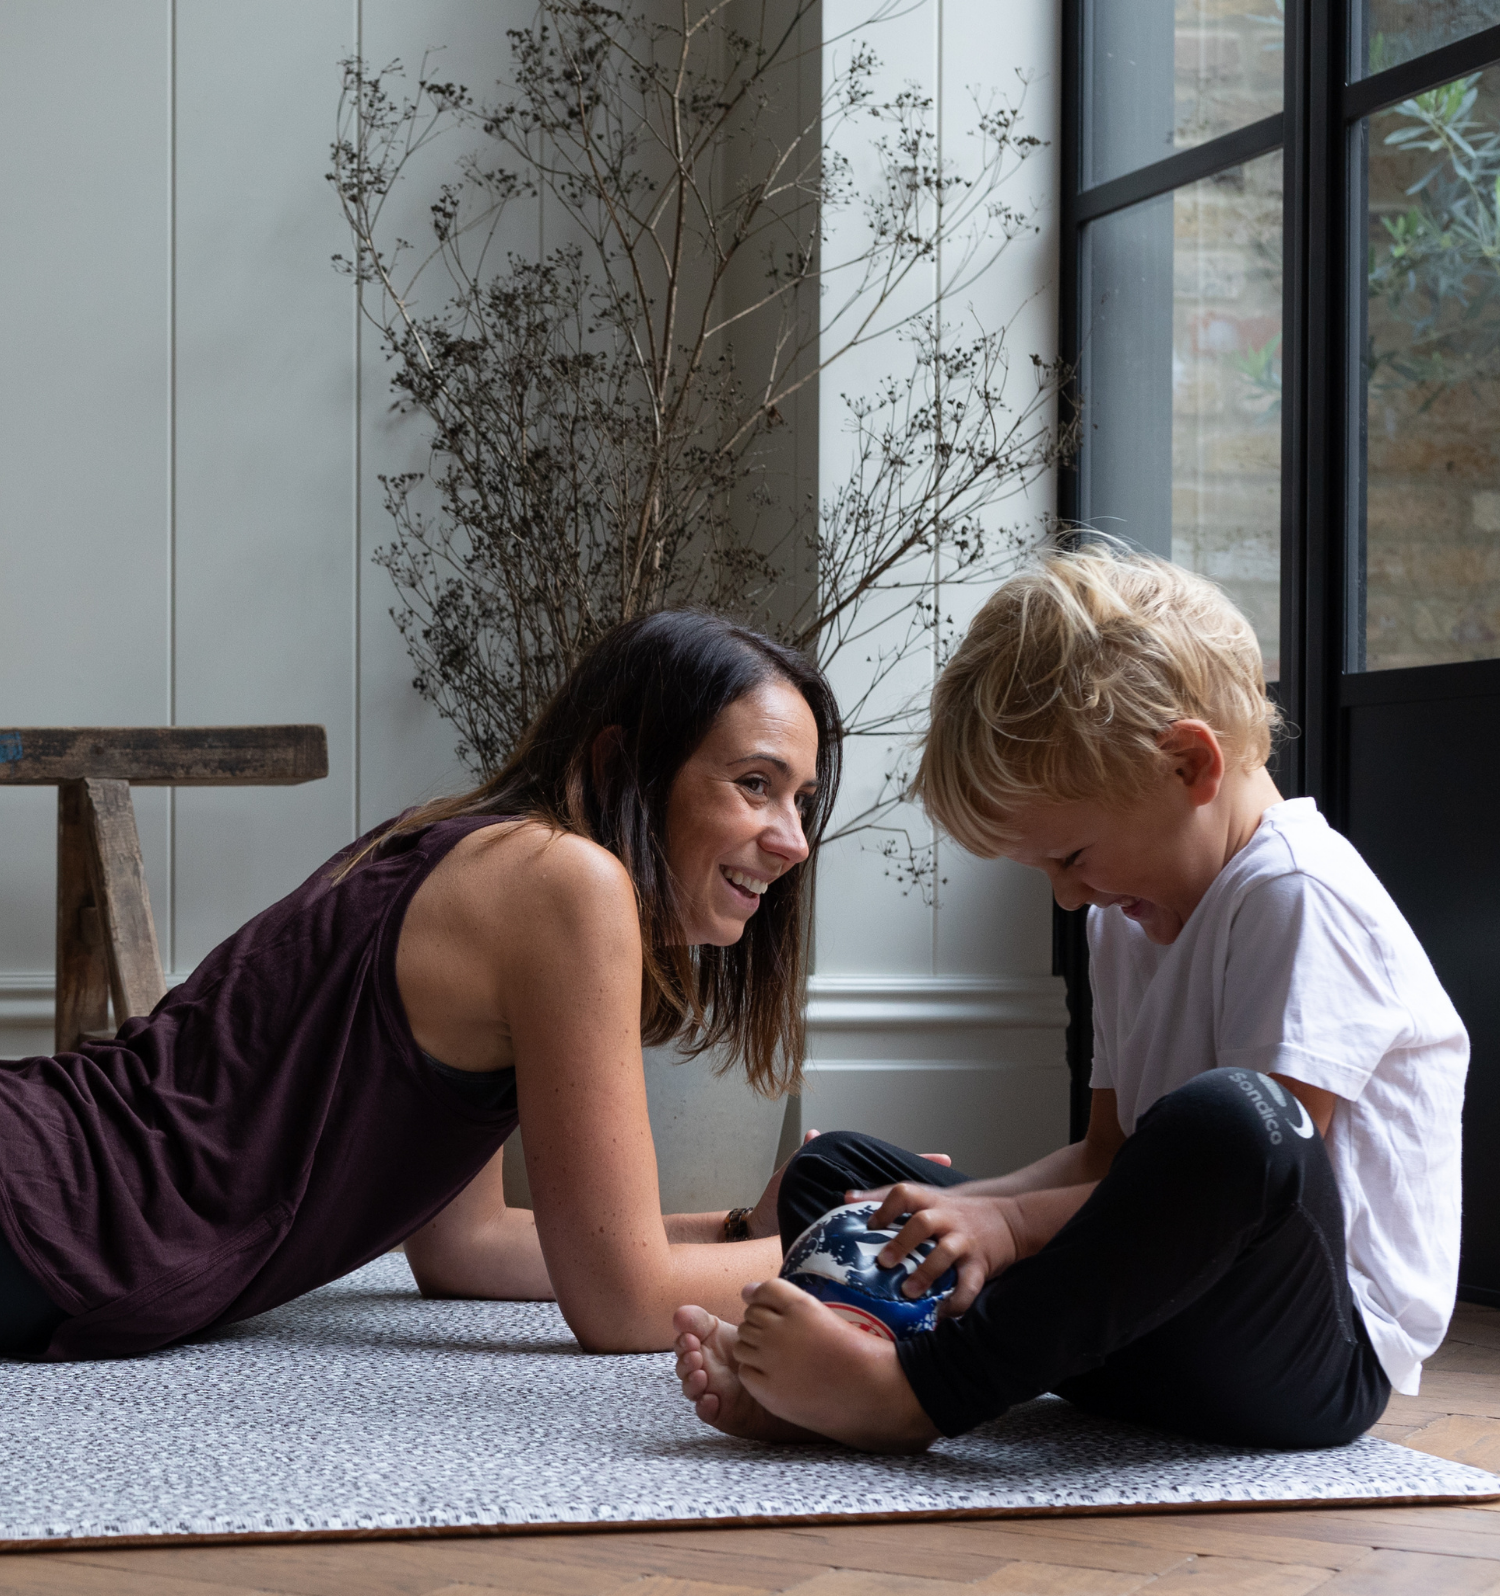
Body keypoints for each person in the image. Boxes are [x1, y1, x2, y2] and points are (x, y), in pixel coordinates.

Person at [675, 546, 1468, 1453]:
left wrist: (1007, 1222)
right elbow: (1107, 1161)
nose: (1065, 895)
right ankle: (843, 1366)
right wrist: (958, 1221)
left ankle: (913, 1397)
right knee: (845, 1181)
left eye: (1071, 857)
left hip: (1303, 1359)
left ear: (1188, 765)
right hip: (1136, 1333)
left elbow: (1259, 1177)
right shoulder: (1124, 919)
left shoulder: (1299, 893)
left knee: (1239, 1118)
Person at [0, 611, 843, 1361]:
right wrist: (850, 1250)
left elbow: (465, 1246)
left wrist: (745, 1231)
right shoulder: (566, 882)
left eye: (801, 800)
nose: (794, 841)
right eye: (755, 785)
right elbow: (623, 1305)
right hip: (34, 1209)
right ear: (625, 764)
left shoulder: (482, 852)